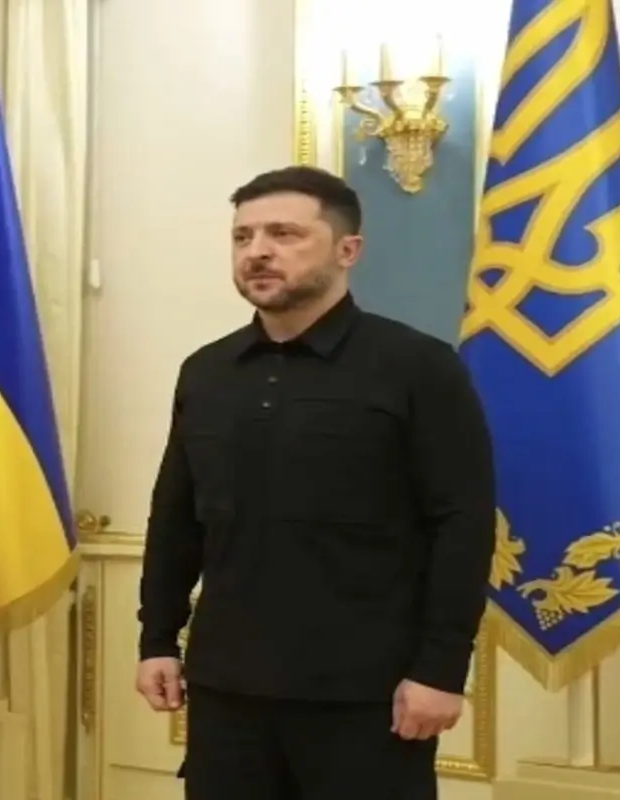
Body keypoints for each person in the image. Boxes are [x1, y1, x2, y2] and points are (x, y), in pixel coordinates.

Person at [134, 165, 495, 799]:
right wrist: (157, 638)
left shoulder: (417, 366)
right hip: (226, 688)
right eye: (243, 237)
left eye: (284, 234)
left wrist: (441, 670)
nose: (258, 252)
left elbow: (460, 524)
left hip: (367, 694)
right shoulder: (208, 372)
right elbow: (176, 517)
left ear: (347, 250)